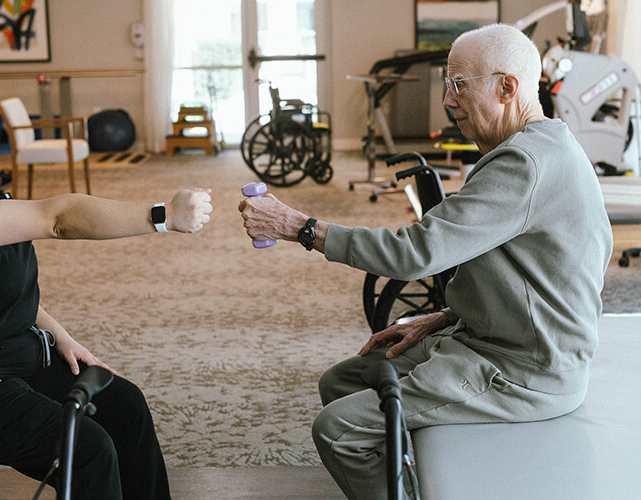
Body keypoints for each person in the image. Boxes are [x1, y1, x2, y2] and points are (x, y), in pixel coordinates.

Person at [239, 24, 612, 500]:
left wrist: (300, 227)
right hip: (486, 339)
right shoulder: (542, 145)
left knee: (336, 429)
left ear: (507, 87)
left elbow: (414, 253)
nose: (448, 101)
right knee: (343, 380)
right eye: (447, 83)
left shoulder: (526, 164)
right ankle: (410, 475)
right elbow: (545, 272)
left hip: (524, 373)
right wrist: (445, 316)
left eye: (459, 85)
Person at [0, 69, 213, 500]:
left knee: (124, 406)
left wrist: (59, 335)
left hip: (0, 355)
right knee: (87, 449)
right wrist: (162, 216)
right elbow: (59, 219)